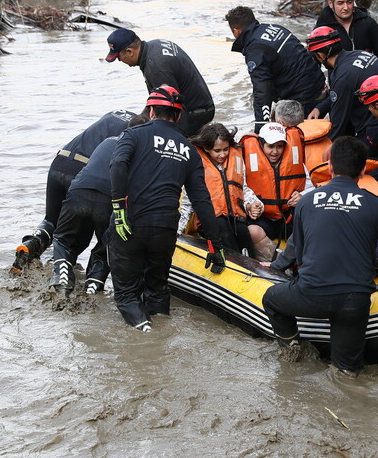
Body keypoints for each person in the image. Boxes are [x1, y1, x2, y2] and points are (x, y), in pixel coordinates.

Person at [262, 136, 378, 375]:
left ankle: (292, 351)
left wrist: (275, 266)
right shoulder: (376, 205)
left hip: (311, 294)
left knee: (271, 298)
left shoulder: (306, 201)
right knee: (347, 373)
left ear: (330, 167)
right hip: (354, 302)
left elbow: (294, 248)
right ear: (363, 170)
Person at [107, 85, 225, 332]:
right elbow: (202, 200)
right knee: (158, 288)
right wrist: (215, 245)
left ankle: (147, 336)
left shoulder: (133, 135)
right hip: (166, 229)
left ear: (151, 111)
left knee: (127, 295)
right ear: (179, 115)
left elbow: (117, 164)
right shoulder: (189, 151)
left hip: (131, 223)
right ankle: (162, 329)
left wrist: (119, 208)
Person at [12, 109, 137, 273]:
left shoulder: (117, 112)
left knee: (51, 220)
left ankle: (32, 244)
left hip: (60, 161)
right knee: (80, 231)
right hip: (84, 172)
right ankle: (57, 267)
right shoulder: (141, 132)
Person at [306, 26, 378, 186]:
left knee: (364, 178)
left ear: (320, 54)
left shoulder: (343, 75)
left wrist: (322, 154)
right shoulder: (358, 54)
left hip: (375, 128)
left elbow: (338, 124)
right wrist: (320, 107)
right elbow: (341, 93)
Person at [225, 6, 326, 129]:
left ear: (236, 31)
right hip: (319, 86)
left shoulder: (255, 49)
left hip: (304, 99)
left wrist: (261, 126)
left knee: (297, 141)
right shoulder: (274, 28)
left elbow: (262, 90)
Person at [104, 28, 214, 137]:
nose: (119, 60)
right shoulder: (154, 46)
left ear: (129, 51)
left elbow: (172, 109)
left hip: (195, 113)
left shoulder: (156, 69)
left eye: (118, 56)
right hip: (200, 104)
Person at [184, 123, 258, 254]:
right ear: (206, 148)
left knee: (243, 233)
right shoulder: (197, 165)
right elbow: (188, 200)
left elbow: (242, 188)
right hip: (211, 220)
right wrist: (177, 230)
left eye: (226, 149)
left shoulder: (235, 160)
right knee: (224, 232)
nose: (223, 154)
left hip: (234, 217)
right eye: (217, 151)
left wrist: (252, 204)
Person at [241, 122, 307, 260]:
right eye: (270, 146)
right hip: (264, 218)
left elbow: (311, 185)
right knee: (251, 231)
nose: (275, 151)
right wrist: (252, 205)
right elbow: (242, 188)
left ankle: (298, 260)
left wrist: (302, 197)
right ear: (261, 145)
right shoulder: (247, 162)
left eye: (279, 146)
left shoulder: (296, 161)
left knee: (309, 224)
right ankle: (275, 259)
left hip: (289, 216)